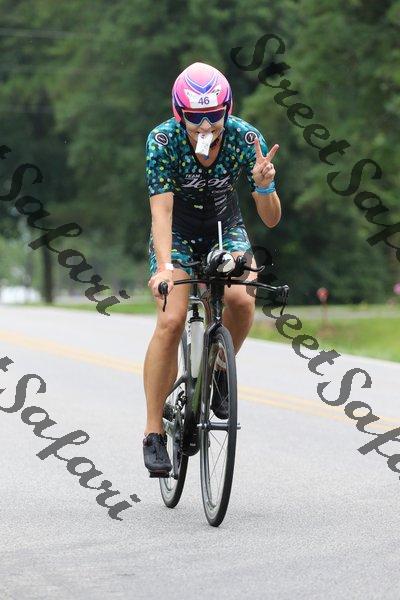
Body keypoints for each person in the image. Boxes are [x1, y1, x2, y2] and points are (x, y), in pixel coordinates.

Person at [143, 62, 281, 476]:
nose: (205, 126)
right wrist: (164, 267)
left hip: (225, 228)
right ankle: (153, 432)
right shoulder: (163, 140)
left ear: (227, 109)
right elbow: (161, 210)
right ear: (178, 113)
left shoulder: (246, 138)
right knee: (171, 320)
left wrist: (264, 185)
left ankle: (219, 370)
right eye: (195, 118)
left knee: (242, 298)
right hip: (178, 233)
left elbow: (271, 219)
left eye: (213, 116)